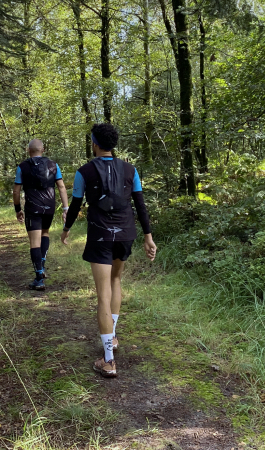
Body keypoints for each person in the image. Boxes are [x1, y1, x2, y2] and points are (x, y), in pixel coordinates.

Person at [61, 123, 157, 378]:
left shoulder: (84, 172)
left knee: (102, 294)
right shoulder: (130, 169)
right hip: (125, 234)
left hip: (100, 235)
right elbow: (140, 204)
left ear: (94, 142)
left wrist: (66, 228)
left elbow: (76, 204)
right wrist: (148, 237)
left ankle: (108, 360)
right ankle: (112, 337)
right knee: (116, 280)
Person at [13, 139, 69, 291]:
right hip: (49, 206)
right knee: (45, 233)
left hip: (33, 207)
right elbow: (61, 187)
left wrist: (18, 209)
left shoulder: (23, 166)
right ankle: (42, 265)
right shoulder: (53, 165)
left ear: (28, 150)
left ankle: (39, 278)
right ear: (43, 149)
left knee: (34, 242)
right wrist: (65, 208)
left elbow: (17, 191)